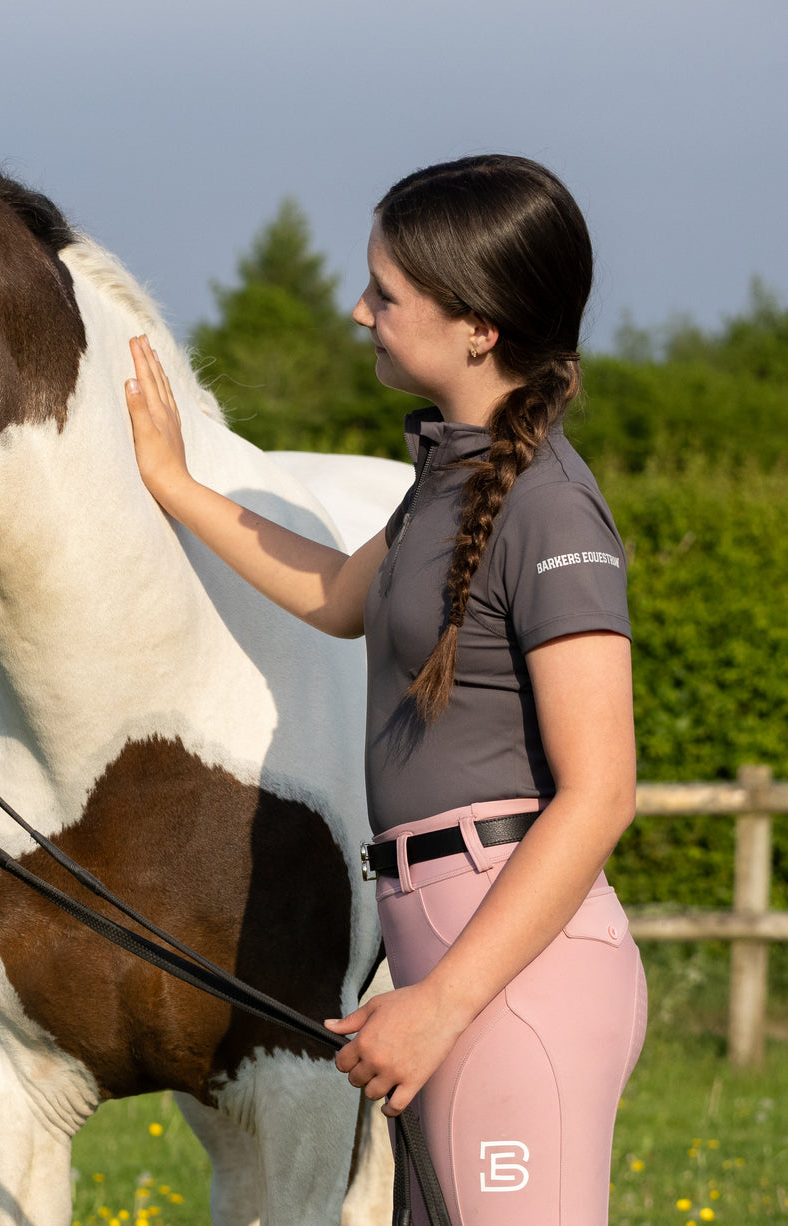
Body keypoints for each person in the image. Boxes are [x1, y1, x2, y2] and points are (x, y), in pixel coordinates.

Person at [124, 154, 647, 1225]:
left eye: (386, 292)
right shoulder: (449, 476)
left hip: (505, 970)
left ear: (478, 326)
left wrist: (441, 1003)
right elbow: (329, 592)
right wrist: (174, 484)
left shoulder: (550, 511)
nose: (355, 308)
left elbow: (600, 793)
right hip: (437, 946)